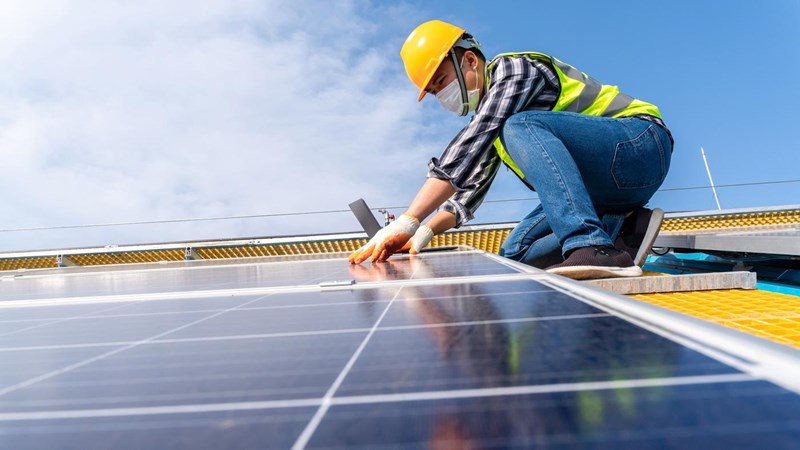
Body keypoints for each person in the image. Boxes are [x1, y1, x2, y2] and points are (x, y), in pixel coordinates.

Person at [349, 19, 673, 280]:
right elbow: (465, 195)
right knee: (515, 254)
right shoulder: (494, 122)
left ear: (470, 60)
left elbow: (473, 141)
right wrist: (421, 232)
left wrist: (408, 218)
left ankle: (593, 245)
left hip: (640, 145)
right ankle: (625, 229)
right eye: (434, 93)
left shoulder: (512, 70)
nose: (441, 96)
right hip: (602, 192)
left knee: (519, 125)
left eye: (442, 81)